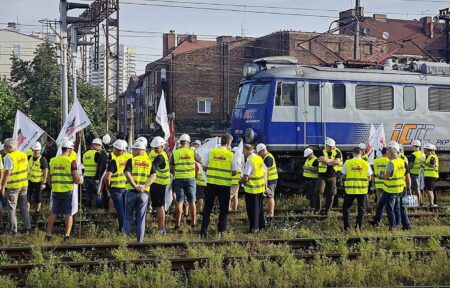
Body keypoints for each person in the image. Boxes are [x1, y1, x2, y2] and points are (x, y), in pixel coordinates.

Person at [45, 139, 83, 240]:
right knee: (68, 213)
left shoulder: (53, 160)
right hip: (67, 191)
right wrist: (80, 180)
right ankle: (66, 235)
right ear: (69, 150)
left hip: (56, 190)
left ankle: (48, 234)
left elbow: (48, 177)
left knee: (54, 212)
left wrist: (52, 186)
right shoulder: (71, 161)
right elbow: (76, 178)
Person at [200, 134, 235, 237]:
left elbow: (204, 166)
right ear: (229, 143)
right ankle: (221, 231)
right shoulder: (230, 155)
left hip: (211, 184)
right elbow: (234, 171)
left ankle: (203, 231)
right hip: (224, 185)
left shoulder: (212, 152)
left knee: (207, 208)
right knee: (224, 209)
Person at [370, 141, 409, 230]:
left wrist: (380, 176)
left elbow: (387, 177)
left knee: (390, 209)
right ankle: (380, 222)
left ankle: (393, 227)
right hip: (399, 188)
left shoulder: (391, 163)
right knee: (385, 206)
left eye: (388, 150)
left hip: (391, 190)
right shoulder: (402, 162)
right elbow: (406, 176)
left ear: (391, 151)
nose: (386, 152)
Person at [123, 141, 156, 242]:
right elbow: (154, 176)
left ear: (138, 150)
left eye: (133, 150)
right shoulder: (149, 162)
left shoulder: (131, 160)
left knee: (127, 216)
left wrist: (135, 186)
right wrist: (144, 186)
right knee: (141, 218)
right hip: (144, 194)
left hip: (131, 192)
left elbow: (127, 173)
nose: (132, 151)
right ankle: (140, 242)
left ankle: (125, 241)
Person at [0, 138, 31, 235]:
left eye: (5, 147)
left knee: (12, 209)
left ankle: (13, 230)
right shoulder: (23, 154)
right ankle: (27, 227)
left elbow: (8, 173)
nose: (4, 149)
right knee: (24, 207)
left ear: (9, 147)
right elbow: (27, 168)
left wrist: (2, 186)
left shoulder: (9, 157)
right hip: (24, 185)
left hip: (13, 186)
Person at [170, 134, 198, 229]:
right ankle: (193, 223)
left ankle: (177, 224)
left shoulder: (176, 153)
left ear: (180, 143)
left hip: (179, 179)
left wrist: (176, 172)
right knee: (192, 201)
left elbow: (171, 167)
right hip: (190, 179)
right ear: (188, 142)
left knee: (179, 201)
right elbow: (201, 160)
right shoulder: (192, 152)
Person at [341, 147, 372, 231]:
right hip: (362, 190)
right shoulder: (366, 163)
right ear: (361, 153)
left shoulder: (347, 162)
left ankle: (347, 228)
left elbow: (343, 176)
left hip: (350, 190)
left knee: (346, 208)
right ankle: (359, 227)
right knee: (361, 209)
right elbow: (369, 178)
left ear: (352, 153)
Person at [239, 144, 266, 233]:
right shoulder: (259, 158)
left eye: (244, 151)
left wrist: (239, 182)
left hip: (252, 190)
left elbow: (245, 177)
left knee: (252, 210)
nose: (243, 153)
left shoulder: (250, 161)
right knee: (259, 209)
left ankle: (254, 229)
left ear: (247, 151)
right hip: (260, 188)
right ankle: (262, 227)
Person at [104, 140, 128, 231]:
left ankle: (123, 229)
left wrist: (108, 187)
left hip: (116, 189)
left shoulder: (114, 161)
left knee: (120, 210)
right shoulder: (128, 160)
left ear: (117, 149)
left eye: (114, 148)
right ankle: (126, 228)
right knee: (126, 210)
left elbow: (107, 178)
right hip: (126, 188)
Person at [149, 136, 170, 235]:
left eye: (156, 148)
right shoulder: (163, 155)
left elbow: (152, 168)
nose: (154, 149)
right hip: (160, 184)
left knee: (159, 206)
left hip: (159, 184)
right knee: (158, 206)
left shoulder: (160, 157)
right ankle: (161, 228)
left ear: (162, 146)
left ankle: (161, 229)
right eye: (154, 148)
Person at [315, 137, 342, 215]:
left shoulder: (337, 152)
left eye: (332, 146)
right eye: (329, 146)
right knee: (319, 191)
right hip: (322, 176)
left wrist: (327, 161)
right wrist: (331, 161)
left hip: (332, 176)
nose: (331, 148)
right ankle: (318, 209)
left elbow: (337, 162)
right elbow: (322, 159)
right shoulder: (321, 151)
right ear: (326, 145)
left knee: (331, 193)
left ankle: (327, 210)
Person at [256, 143, 278, 218]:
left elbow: (264, 170)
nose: (259, 154)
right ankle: (270, 212)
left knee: (270, 196)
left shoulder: (268, 158)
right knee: (269, 196)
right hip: (270, 179)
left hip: (271, 180)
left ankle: (271, 213)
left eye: (259, 152)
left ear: (263, 150)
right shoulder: (266, 157)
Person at [27, 142, 48, 212]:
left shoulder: (42, 159)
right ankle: (27, 212)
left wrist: (44, 183)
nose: (36, 152)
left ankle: (37, 211)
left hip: (39, 181)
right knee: (27, 196)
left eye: (38, 150)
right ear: (32, 150)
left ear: (40, 150)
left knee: (38, 197)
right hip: (29, 181)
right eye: (35, 150)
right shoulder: (29, 157)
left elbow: (45, 171)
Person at [82, 138, 103, 208]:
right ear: (95, 145)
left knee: (88, 193)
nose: (100, 148)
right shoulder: (96, 154)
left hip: (86, 176)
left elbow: (84, 164)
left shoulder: (85, 154)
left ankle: (88, 207)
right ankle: (99, 208)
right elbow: (98, 166)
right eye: (99, 146)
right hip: (94, 177)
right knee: (98, 193)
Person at [408, 140, 425, 206]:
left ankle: (419, 202)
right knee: (420, 188)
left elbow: (411, 165)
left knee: (416, 188)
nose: (412, 147)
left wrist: (407, 169)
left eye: (413, 146)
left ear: (414, 146)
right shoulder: (423, 154)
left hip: (414, 173)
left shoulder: (413, 154)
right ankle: (419, 201)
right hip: (420, 173)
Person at [230, 147, 243, 212]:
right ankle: (234, 209)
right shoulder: (240, 159)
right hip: (237, 180)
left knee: (229, 196)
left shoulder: (233, 159)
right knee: (235, 196)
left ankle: (229, 209)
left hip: (233, 180)